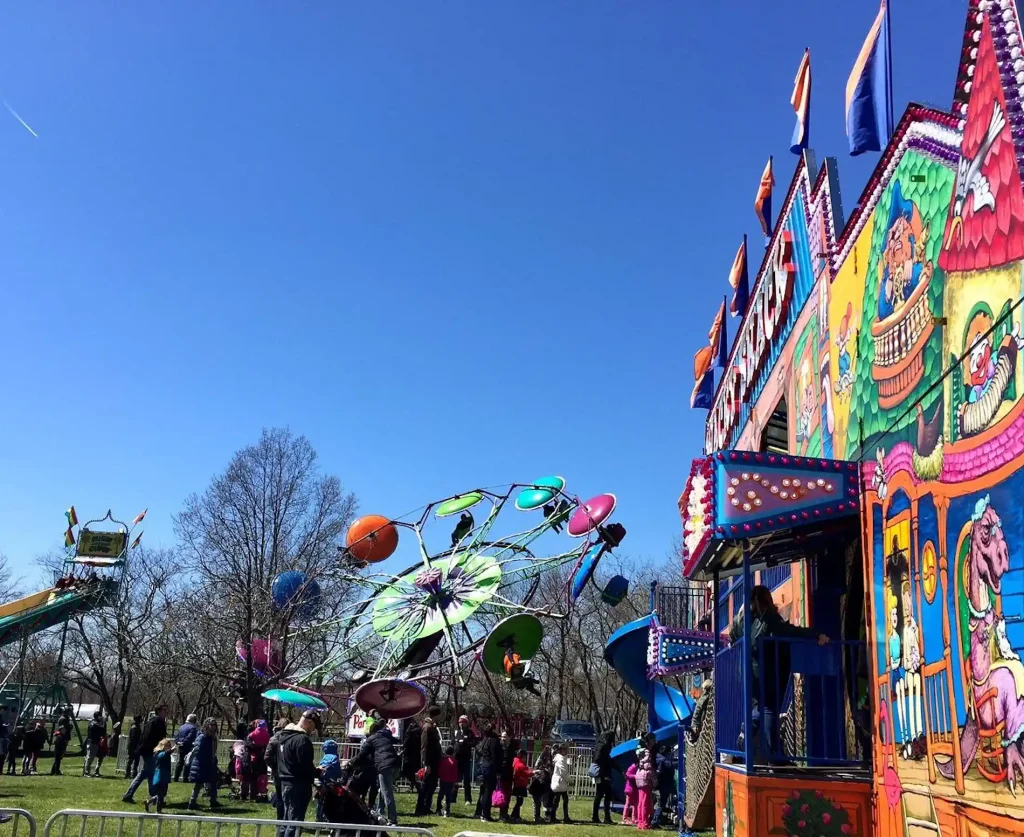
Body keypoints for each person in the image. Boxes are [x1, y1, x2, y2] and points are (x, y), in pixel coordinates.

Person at [728, 585, 828, 760]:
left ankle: (749, 735)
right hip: (769, 674)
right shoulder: (769, 620)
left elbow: (732, 634)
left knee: (762, 708)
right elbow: (792, 631)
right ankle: (774, 754)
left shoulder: (745, 622)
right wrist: (816, 634)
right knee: (769, 710)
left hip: (751, 676)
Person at [272, 710, 318, 837]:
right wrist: (318, 772)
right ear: (308, 722)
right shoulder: (302, 740)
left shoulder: (283, 737)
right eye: (314, 726)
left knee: (286, 819)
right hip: (299, 784)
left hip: (285, 783)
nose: (313, 730)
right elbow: (305, 766)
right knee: (295, 823)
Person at [123, 705, 169, 802]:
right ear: (159, 711)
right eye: (164, 710)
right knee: (146, 773)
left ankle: (153, 795)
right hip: (151, 751)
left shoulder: (151, 721)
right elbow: (160, 739)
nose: (166, 712)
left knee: (148, 773)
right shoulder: (158, 722)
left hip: (147, 750)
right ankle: (130, 794)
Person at [360, 716, 400, 825]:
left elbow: (362, 754)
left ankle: (392, 819)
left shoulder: (372, 739)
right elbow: (398, 741)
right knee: (383, 790)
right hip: (396, 765)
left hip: (384, 766)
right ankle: (380, 812)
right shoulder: (386, 737)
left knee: (387, 792)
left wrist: (351, 762)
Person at [187, 718, 220, 810]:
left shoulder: (213, 737)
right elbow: (198, 750)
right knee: (198, 784)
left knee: (213, 782)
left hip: (210, 763)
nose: (213, 727)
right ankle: (192, 802)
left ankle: (213, 801)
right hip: (201, 764)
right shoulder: (202, 737)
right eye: (211, 725)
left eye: (214, 725)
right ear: (206, 725)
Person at [415, 708, 442, 816]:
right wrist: (426, 764)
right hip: (430, 762)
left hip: (434, 761)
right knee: (426, 786)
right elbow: (424, 747)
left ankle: (427, 806)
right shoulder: (427, 728)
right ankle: (421, 808)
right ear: (435, 715)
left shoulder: (432, 727)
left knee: (432, 785)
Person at [265, 718, 290, 820]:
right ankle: (286, 818)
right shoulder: (290, 738)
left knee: (280, 795)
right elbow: (267, 757)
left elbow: (267, 757)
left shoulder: (273, 738)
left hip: (278, 772)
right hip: (287, 771)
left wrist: (274, 767)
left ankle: (280, 818)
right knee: (286, 797)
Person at [475, 725, 501, 822]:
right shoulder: (494, 740)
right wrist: (498, 770)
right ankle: (485, 815)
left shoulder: (484, 740)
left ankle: (480, 812)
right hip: (490, 768)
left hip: (483, 766)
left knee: (483, 791)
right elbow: (495, 756)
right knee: (488, 792)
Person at [591, 731, 615, 824]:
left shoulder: (599, 745)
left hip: (600, 773)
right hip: (603, 774)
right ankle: (605, 817)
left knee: (599, 795)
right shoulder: (604, 747)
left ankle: (596, 816)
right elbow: (601, 760)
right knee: (605, 795)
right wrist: (604, 774)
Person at [146, 739, 175, 813]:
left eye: (170, 746)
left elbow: (167, 753)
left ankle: (150, 802)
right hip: (160, 776)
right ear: (162, 746)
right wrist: (171, 749)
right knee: (161, 794)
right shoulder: (159, 753)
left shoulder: (164, 753)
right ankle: (158, 810)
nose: (169, 747)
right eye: (167, 746)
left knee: (162, 793)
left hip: (164, 776)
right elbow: (164, 754)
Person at [452, 715, 476, 805]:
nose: (461, 724)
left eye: (463, 722)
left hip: (465, 759)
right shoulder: (456, 732)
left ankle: (468, 799)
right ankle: (452, 798)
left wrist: (466, 742)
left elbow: (473, 742)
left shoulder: (470, 733)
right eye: (460, 722)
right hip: (457, 759)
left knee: (466, 780)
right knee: (455, 780)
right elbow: (452, 743)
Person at [654, 744, 677, 827]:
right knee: (661, 804)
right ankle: (655, 821)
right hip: (666, 784)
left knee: (660, 803)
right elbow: (669, 768)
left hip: (661, 784)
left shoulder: (658, 759)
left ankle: (658, 820)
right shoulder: (665, 761)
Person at [247, 720, 271, 802]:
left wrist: (254, 748)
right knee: (263, 776)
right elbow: (268, 744)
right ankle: (263, 793)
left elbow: (248, 741)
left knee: (254, 777)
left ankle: (253, 794)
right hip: (263, 757)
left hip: (254, 757)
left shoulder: (254, 732)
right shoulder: (267, 734)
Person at [548, 743, 572, 824]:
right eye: (566, 749)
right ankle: (554, 816)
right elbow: (563, 773)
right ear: (562, 750)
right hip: (560, 782)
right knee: (558, 800)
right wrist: (570, 780)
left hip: (560, 782)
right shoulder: (561, 759)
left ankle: (563, 816)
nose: (567, 751)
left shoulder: (560, 758)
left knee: (561, 800)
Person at [634, 745, 655, 830]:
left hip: (639, 776)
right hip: (645, 778)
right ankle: (645, 823)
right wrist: (653, 777)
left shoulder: (639, 752)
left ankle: (640, 822)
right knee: (645, 802)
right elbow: (648, 767)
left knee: (640, 802)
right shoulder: (647, 753)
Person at [530, 747, 552, 824]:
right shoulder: (549, 762)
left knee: (536, 802)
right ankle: (545, 817)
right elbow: (550, 772)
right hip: (543, 782)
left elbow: (535, 769)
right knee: (545, 801)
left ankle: (536, 816)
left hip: (536, 782)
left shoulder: (538, 761)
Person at [173, 714, 199, 782]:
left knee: (180, 762)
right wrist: (184, 742)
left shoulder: (182, 727)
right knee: (188, 762)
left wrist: (178, 742)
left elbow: (177, 736)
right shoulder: (193, 728)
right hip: (188, 746)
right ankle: (185, 778)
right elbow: (189, 737)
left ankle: (176, 777)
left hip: (181, 747)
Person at [497, 730, 515, 822]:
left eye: (505, 736)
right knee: (502, 795)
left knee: (508, 795)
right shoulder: (499, 747)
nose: (503, 738)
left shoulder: (512, 748)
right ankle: (501, 814)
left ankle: (505, 813)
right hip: (501, 774)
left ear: (509, 737)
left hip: (509, 774)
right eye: (502, 736)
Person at [435, 745, 458, 818]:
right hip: (450, 781)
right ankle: (447, 811)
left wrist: (439, 777)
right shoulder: (454, 761)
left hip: (443, 780)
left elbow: (440, 770)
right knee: (448, 797)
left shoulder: (443, 760)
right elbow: (455, 772)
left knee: (440, 795)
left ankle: (438, 809)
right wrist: (455, 781)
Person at [510, 748, 531, 822]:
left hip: (518, 785)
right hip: (520, 785)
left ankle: (516, 816)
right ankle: (514, 815)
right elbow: (526, 773)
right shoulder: (520, 765)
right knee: (519, 802)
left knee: (519, 801)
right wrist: (534, 772)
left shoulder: (516, 762)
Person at [84, 711, 105, 777]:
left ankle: (96, 772)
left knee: (100, 756)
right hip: (92, 742)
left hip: (97, 742)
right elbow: (101, 730)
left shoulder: (96, 723)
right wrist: (102, 724)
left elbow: (102, 732)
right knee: (90, 757)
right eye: (100, 716)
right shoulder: (93, 723)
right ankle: (86, 772)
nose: (101, 717)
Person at [622, 756, 638, 825]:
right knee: (628, 803)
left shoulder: (637, 767)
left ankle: (634, 818)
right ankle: (624, 818)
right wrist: (635, 776)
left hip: (635, 789)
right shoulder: (632, 767)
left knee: (635, 804)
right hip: (629, 788)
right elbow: (628, 774)